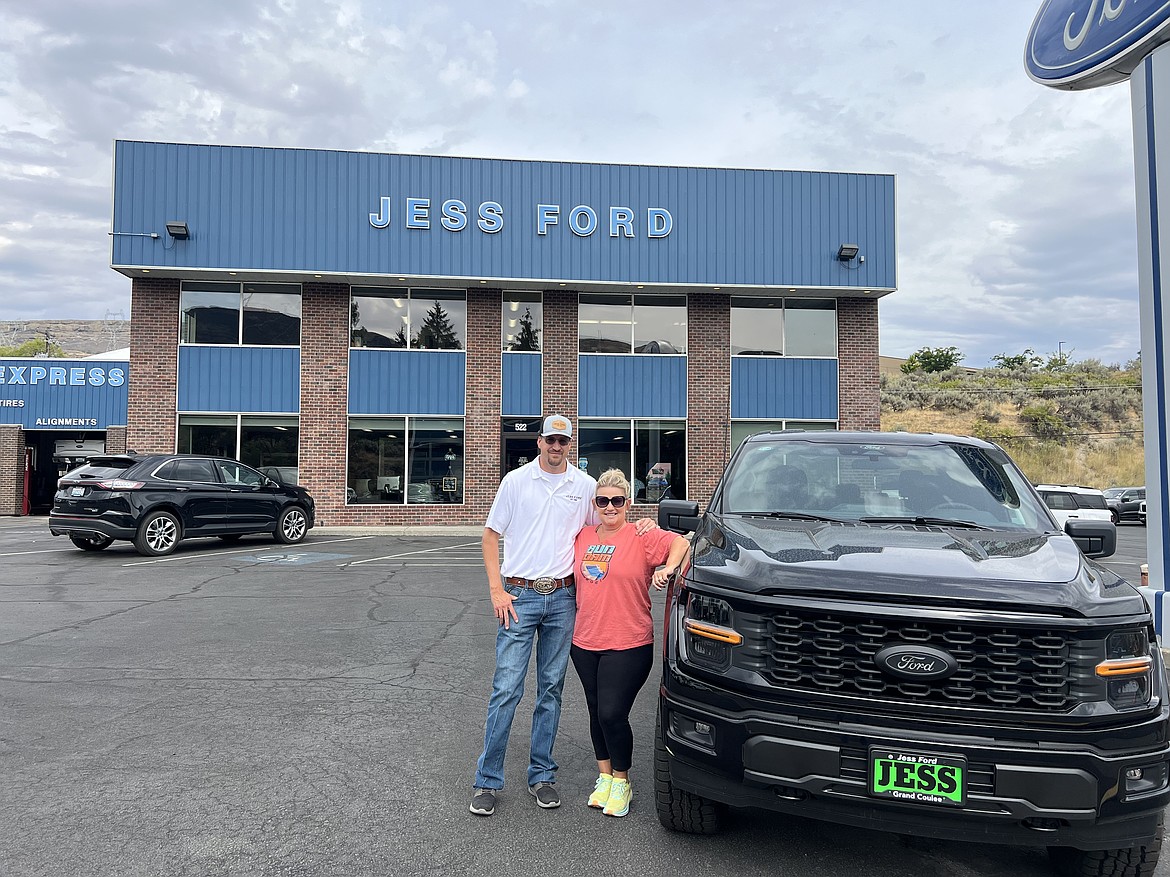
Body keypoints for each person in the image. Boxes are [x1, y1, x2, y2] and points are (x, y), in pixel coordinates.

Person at [571, 468, 690, 818]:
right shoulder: (582, 536)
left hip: (628, 642)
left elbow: (681, 544)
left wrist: (665, 569)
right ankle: (604, 776)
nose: (610, 507)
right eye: (603, 500)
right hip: (585, 640)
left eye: (617, 500)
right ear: (595, 503)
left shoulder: (641, 535)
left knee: (612, 712)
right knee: (596, 712)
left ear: (628, 502)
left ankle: (622, 781)